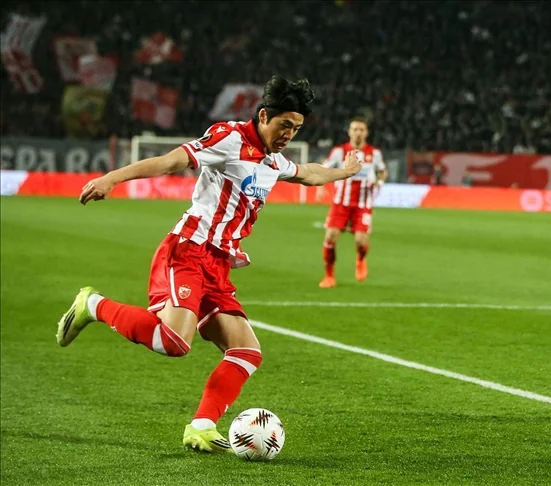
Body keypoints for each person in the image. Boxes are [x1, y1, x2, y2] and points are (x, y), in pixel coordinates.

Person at [56, 76, 362, 452]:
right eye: (284, 125)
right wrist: (112, 178)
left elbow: (310, 173)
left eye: (296, 128)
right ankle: (93, 305)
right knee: (173, 342)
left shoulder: (273, 160)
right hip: (189, 249)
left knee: (247, 352)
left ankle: (201, 426)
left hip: (218, 264)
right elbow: (170, 161)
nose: (289, 134)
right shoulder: (229, 138)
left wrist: (345, 172)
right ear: (263, 116)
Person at [316, 117, 388, 288]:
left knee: (361, 241)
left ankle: (361, 258)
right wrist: (320, 185)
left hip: (363, 204)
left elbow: (383, 171)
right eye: (355, 129)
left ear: (366, 132)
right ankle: (329, 276)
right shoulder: (339, 151)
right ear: (349, 132)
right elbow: (324, 168)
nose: (358, 133)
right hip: (341, 203)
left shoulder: (374, 153)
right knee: (330, 237)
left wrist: (380, 182)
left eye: (361, 129)